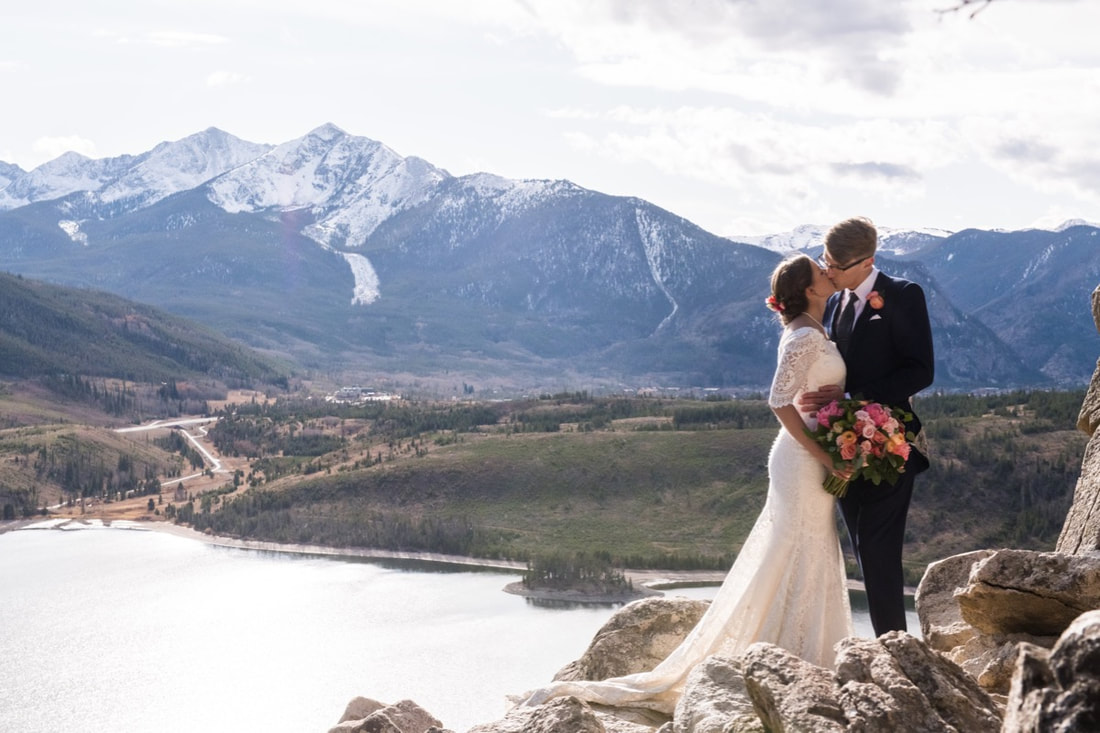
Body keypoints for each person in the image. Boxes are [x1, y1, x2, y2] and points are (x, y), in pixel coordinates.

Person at [517, 254, 853, 714]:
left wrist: (840, 405)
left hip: (813, 453)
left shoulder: (814, 331)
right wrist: (822, 453)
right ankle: (786, 661)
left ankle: (802, 658)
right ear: (810, 290)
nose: (827, 271)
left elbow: (806, 389)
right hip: (801, 460)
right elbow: (779, 401)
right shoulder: (803, 336)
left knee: (809, 549)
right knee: (798, 549)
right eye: (819, 270)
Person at [800, 217, 934, 636]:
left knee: (879, 551)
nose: (828, 272)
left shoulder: (903, 295)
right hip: (843, 444)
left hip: (890, 442)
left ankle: (894, 646)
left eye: (836, 266)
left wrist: (854, 397)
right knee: (862, 548)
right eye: (825, 262)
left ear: (867, 263)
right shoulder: (835, 302)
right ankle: (887, 643)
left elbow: (920, 370)